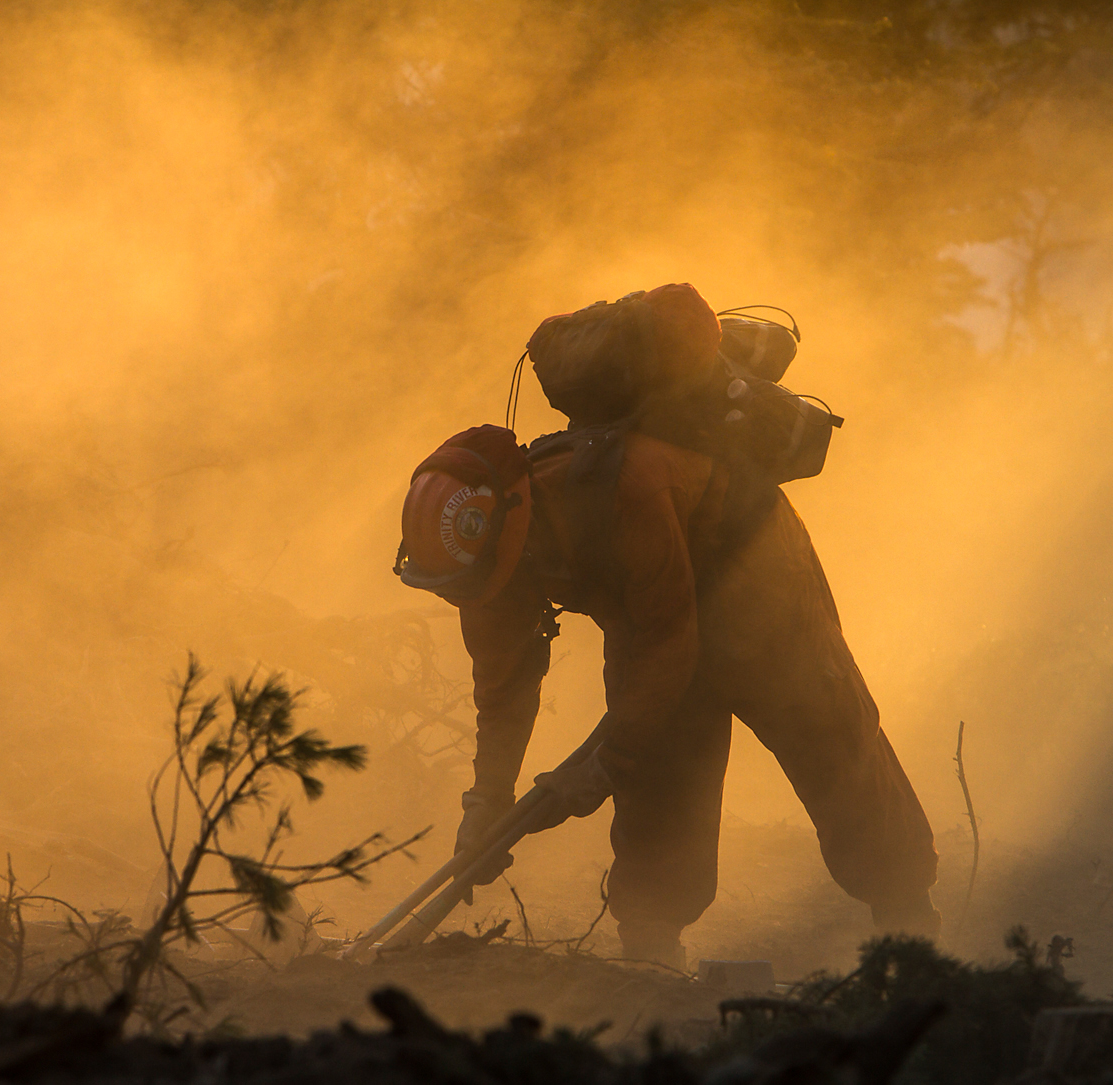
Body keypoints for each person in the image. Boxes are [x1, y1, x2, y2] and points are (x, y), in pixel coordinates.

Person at [393, 284, 938, 966]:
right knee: (661, 767)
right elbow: (504, 689)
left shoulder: (629, 486)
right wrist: (488, 801)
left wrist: (597, 768)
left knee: (826, 734)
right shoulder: (487, 559)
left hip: (759, 579)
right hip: (649, 609)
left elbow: (668, 643)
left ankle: (905, 910)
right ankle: (650, 940)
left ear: (510, 520)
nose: (473, 595)